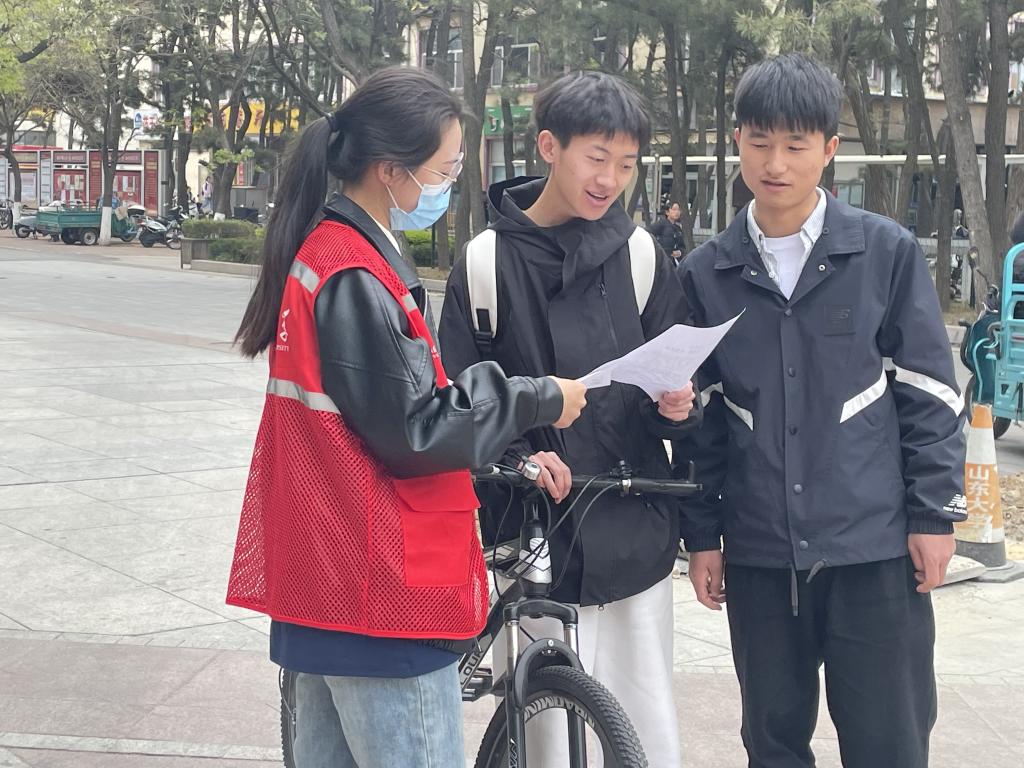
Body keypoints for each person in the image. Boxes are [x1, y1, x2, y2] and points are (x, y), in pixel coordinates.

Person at [226, 67, 587, 768]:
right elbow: (418, 429)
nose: (448, 184)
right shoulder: (355, 273)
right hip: (380, 594)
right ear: (390, 171)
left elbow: (378, 415)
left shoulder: (330, 256)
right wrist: (538, 396)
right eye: (443, 170)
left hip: (328, 580)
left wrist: (505, 443)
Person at [676, 53, 966, 768]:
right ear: (737, 141)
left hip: (872, 548)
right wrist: (703, 534)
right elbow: (702, 420)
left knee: (889, 742)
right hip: (760, 553)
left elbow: (930, 392)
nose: (775, 163)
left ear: (830, 149)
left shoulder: (884, 253)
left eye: (796, 144)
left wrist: (934, 515)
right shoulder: (706, 274)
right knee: (772, 743)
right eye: (759, 142)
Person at [439, 70, 698, 768]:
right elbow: (461, 399)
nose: (609, 179)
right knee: (547, 736)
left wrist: (679, 405)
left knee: (643, 726)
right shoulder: (486, 263)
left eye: (627, 164)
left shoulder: (641, 256)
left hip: (632, 526)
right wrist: (521, 456)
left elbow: (677, 384)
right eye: (596, 157)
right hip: (533, 535)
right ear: (550, 147)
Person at [649, 199, 686, 265]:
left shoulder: (678, 229)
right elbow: (648, 233)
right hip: (662, 262)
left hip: (674, 263)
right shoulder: (661, 224)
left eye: (678, 210)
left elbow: (682, 247)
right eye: (674, 209)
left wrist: (680, 252)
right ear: (667, 212)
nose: (677, 212)